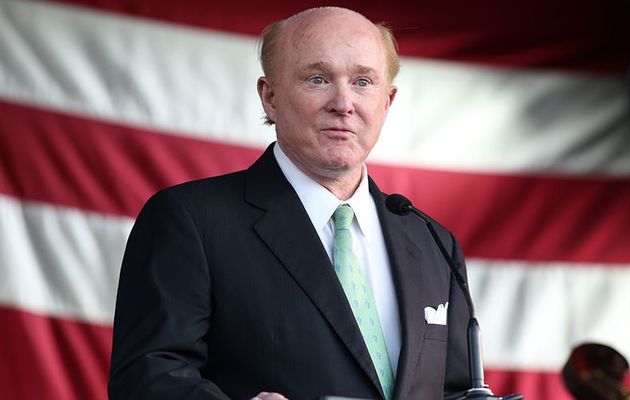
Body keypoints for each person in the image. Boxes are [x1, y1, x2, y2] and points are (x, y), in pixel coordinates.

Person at [109, 6, 470, 400]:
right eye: (317, 79)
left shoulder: (433, 241)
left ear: (388, 101)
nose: (343, 103)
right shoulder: (189, 220)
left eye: (363, 81)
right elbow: (146, 378)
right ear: (270, 97)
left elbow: (455, 390)